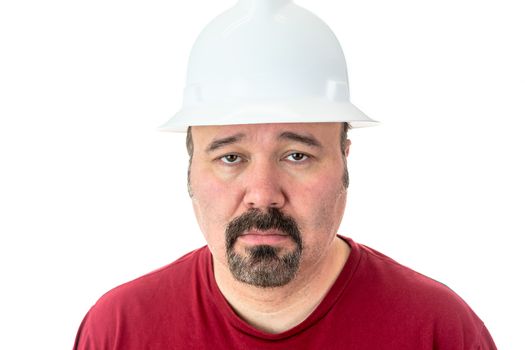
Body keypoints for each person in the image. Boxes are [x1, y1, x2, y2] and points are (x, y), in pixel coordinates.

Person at [73, 0, 497, 348]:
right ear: (189, 171)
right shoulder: (119, 330)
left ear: (345, 160)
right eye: (230, 158)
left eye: (296, 155)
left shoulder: (438, 331)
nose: (262, 194)